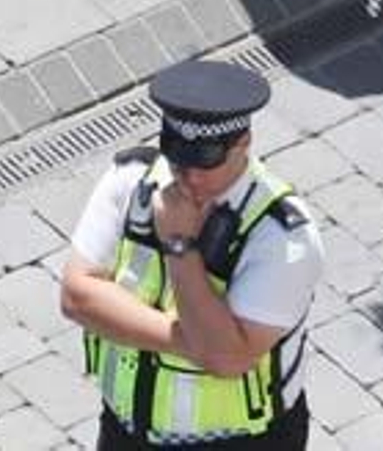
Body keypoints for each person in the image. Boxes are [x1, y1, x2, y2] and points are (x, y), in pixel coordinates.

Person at [61, 58, 324, 450]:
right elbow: (77, 297)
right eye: (179, 157)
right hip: (126, 431)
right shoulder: (131, 179)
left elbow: (226, 360)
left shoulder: (283, 238)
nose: (190, 177)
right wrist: (189, 341)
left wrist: (179, 247)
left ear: (243, 144)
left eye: (207, 160)